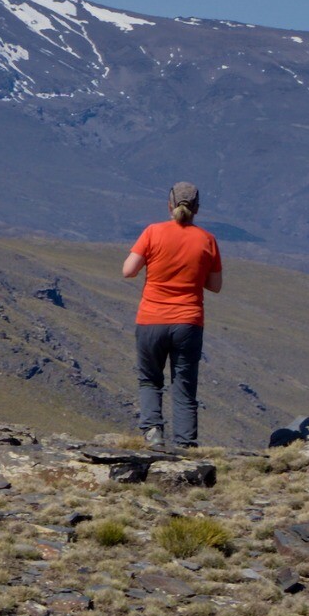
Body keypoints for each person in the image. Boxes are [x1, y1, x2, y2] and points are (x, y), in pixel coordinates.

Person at [122, 181, 222, 448]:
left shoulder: (152, 232)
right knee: (184, 387)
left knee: (150, 380)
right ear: (197, 209)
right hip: (188, 322)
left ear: (169, 205)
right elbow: (215, 286)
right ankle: (186, 445)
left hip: (151, 319)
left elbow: (128, 271)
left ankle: (153, 434)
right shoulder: (207, 240)